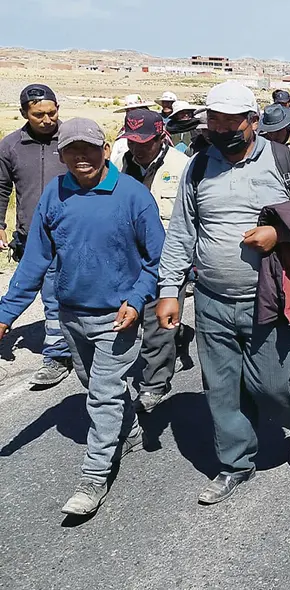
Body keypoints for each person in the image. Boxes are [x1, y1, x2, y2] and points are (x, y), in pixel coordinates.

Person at [157, 82, 290, 505]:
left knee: (271, 384)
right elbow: (182, 232)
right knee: (221, 388)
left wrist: (277, 232)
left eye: (232, 120)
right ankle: (236, 464)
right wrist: (170, 290)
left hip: (267, 296)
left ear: (253, 121)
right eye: (215, 120)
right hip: (211, 297)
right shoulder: (197, 167)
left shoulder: (283, 161)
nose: (222, 128)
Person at [0, 118, 164, 515]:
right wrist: (6, 313)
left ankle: (93, 479)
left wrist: (138, 299)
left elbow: (157, 259)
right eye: (71, 150)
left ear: (105, 151)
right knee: (93, 385)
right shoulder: (55, 195)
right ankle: (130, 428)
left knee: (104, 396)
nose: (80, 157)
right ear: (61, 155)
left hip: (117, 315)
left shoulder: (133, 195)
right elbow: (35, 260)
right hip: (71, 313)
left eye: (88, 148)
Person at [111, 109, 193, 412]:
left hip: (169, 256)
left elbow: (193, 215)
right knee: (132, 317)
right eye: (131, 141)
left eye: (144, 142)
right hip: (128, 256)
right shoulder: (118, 166)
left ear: (161, 137)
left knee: (157, 322)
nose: (137, 148)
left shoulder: (183, 166)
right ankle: (178, 335)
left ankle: (154, 384)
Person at [0, 83, 73, 387]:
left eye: (52, 113)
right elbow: (1, 187)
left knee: (55, 295)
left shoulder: (72, 140)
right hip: (30, 236)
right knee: (32, 288)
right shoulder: (10, 146)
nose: (47, 119)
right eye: (38, 114)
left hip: (70, 234)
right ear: (24, 114)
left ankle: (57, 355)